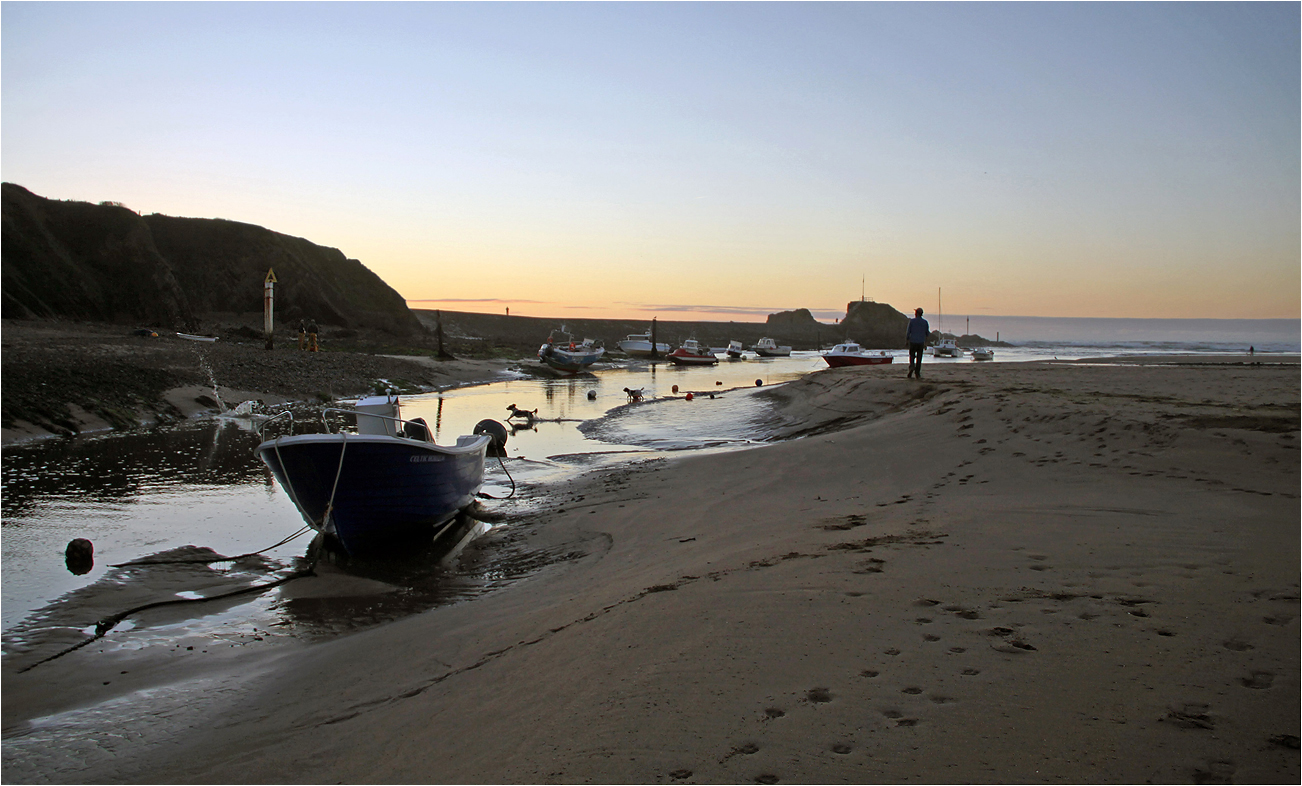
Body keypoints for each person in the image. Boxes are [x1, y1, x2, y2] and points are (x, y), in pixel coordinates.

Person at [906, 307, 929, 379]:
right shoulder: (925, 322)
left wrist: (907, 341)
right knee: (919, 358)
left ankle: (912, 366)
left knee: (912, 356)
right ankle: (917, 373)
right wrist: (926, 343)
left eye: (915, 312)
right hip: (921, 342)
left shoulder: (912, 321)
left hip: (913, 341)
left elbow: (908, 332)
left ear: (917, 314)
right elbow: (927, 334)